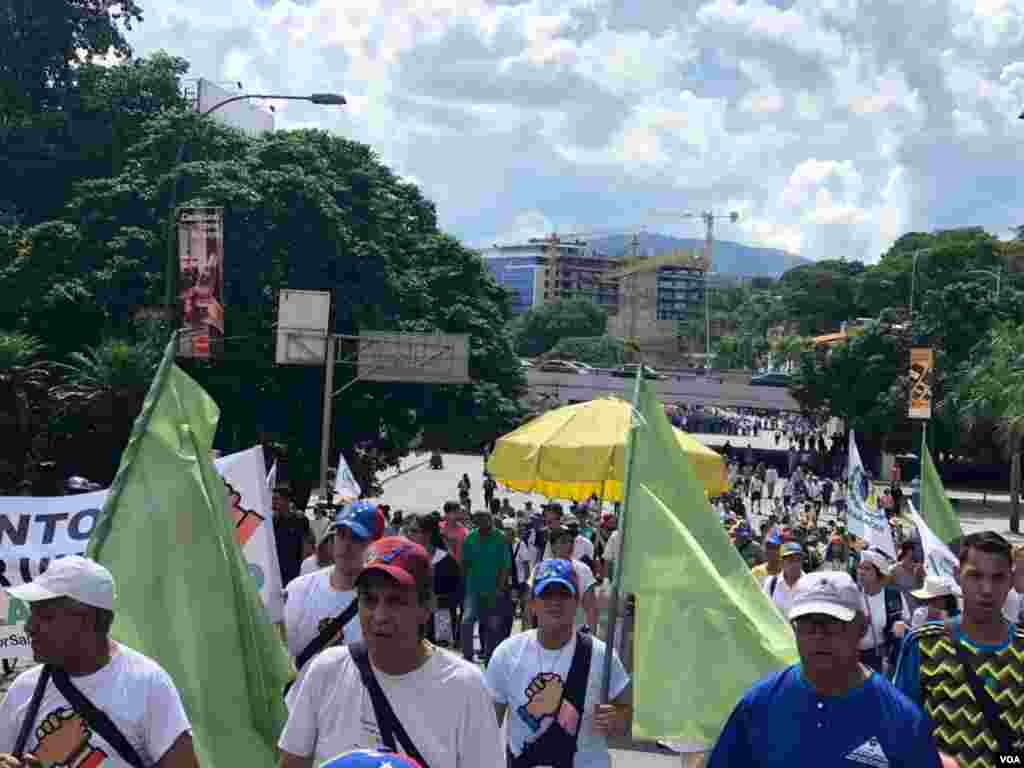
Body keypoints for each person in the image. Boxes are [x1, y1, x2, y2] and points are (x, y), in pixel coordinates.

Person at [279, 536, 504, 768]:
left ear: (426, 608)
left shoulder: (464, 686)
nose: (380, 616)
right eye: (369, 600)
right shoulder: (327, 669)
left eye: (396, 601)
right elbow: (292, 762)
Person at [707, 571, 943, 768]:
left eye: (833, 624)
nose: (819, 636)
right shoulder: (757, 705)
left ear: (861, 628)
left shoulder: (903, 720)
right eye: (808, 624)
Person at [0, 556, 198, 768]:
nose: (30, 627)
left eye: (45, 616)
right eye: (33, 614)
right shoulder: (23, 690)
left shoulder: (147, 684)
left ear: (87, 621)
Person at [894, 531, 1024, 767]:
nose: (986, 589)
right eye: (975, 576)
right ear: (957, 575)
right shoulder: (924, 644)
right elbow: (898, 726)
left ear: (1011, 581)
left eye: (997, 578)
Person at [486, 559, 631, 768]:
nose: (555, 601)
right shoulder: (507, 654)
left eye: (564, 593)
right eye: (546, 593)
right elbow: (488, 727)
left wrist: (618, 719)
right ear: (533, 604)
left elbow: (626, 712)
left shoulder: (602, 655)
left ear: (577, 601)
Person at [283, 501, 385, 705]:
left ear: (376, 544)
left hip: (353, 720)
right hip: (297, 715)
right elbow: (280, 655)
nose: (346, 545)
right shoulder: (299, 589)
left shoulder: (383, 603)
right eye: (341, 534)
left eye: (357, 538)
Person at [460, 510, 511, 664]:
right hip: (473, 589)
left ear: (490, 521)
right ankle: (467, 657)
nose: (483, 524)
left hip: (493, 590)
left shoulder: (500, 538)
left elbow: (505, 566)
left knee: (492, 626)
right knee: (467, 622)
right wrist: (465, 585)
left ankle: (490, 658)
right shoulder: (470, 538)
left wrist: (500, 588)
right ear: (475, 523)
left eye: (485, 520)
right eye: (479, 521)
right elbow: (465, 563)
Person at [408, 515, 462, 649]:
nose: (409, 535)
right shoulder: (406, 558)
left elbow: (458, 594)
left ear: (427, 534)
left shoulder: (446, 561)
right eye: (409, 530)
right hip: (411, 623)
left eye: (414, 531)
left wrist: (436, 601)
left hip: (440, 624)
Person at [855, 549, 905, 674]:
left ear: (879, 573)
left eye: (867, 569)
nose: (861, 572)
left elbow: (904, 622)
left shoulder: (892, 595)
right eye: (860, 568)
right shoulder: (852, 594)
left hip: (881, 656)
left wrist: (899, 628)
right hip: (854, 656)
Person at [550, 526, 599, 631]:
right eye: (563, 542)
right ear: (553, 546)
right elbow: (530, 608)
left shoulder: (584, 570)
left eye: (571, 541)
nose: (569, 545)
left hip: (576, 633)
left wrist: (593, 638)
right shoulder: (541, 569)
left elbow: (591, 607)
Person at [274, 485, 314, 587]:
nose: (273, 502)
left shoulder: (300, 519)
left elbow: (307, 544)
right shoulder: (273, 520)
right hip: (277, 570)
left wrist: (304, 568)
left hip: (295, 570)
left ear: (286, 500)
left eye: (276, 499)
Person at [763, 542, 804, 617]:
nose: (795, 564)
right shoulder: (770, 583)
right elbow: (765, 610)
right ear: (781, 562)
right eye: (790, 560)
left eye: (798, 559)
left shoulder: (810, 584)